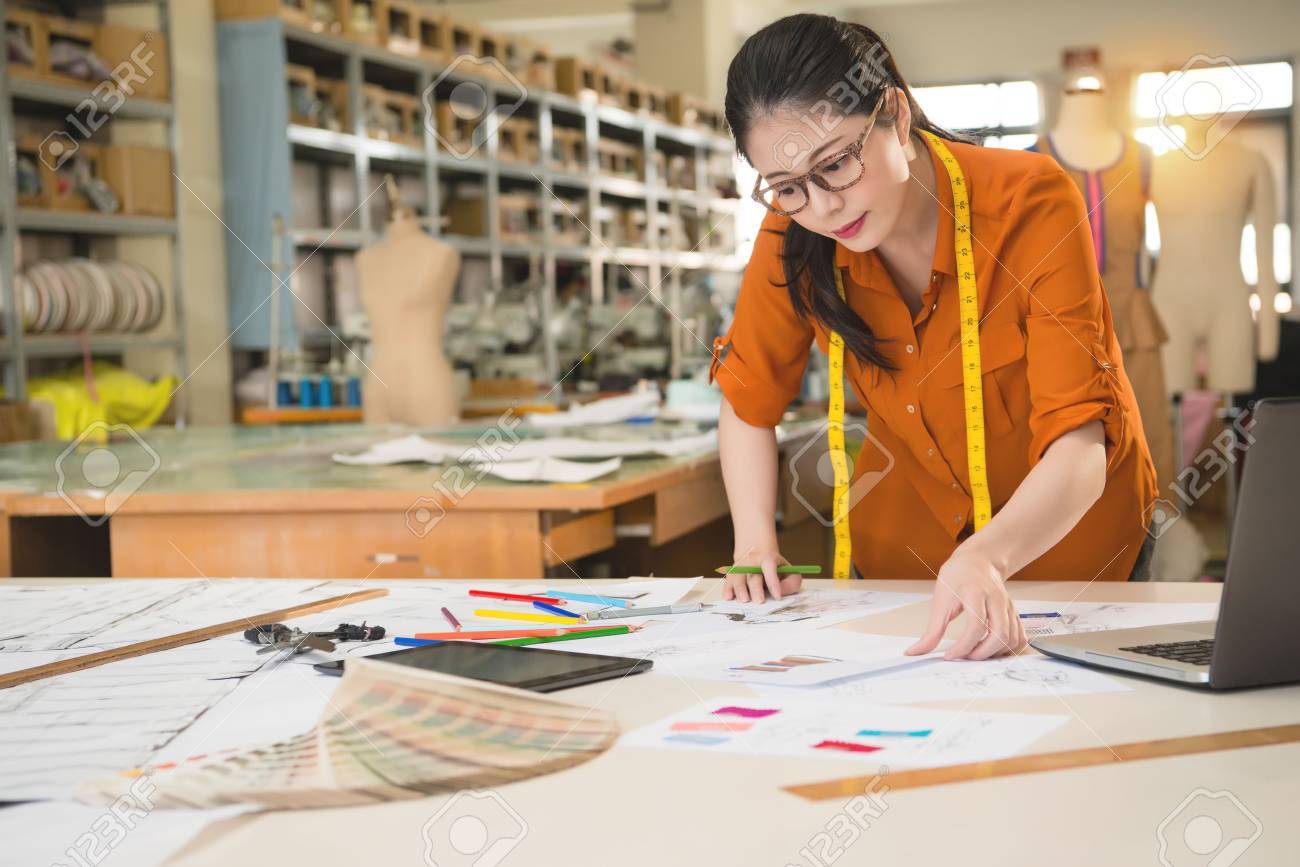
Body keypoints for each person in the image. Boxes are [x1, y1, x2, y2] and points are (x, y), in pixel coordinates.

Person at [712, 14, 1157, 661]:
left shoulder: (1029, 202)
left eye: (834, 162)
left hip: (1075, 565)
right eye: (786, 187)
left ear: (894, 113)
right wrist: (754, 545)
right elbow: (747, 404)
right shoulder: (795, 236)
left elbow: (1080, 444)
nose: (824, 205)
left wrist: (986, 556)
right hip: (907, 571)